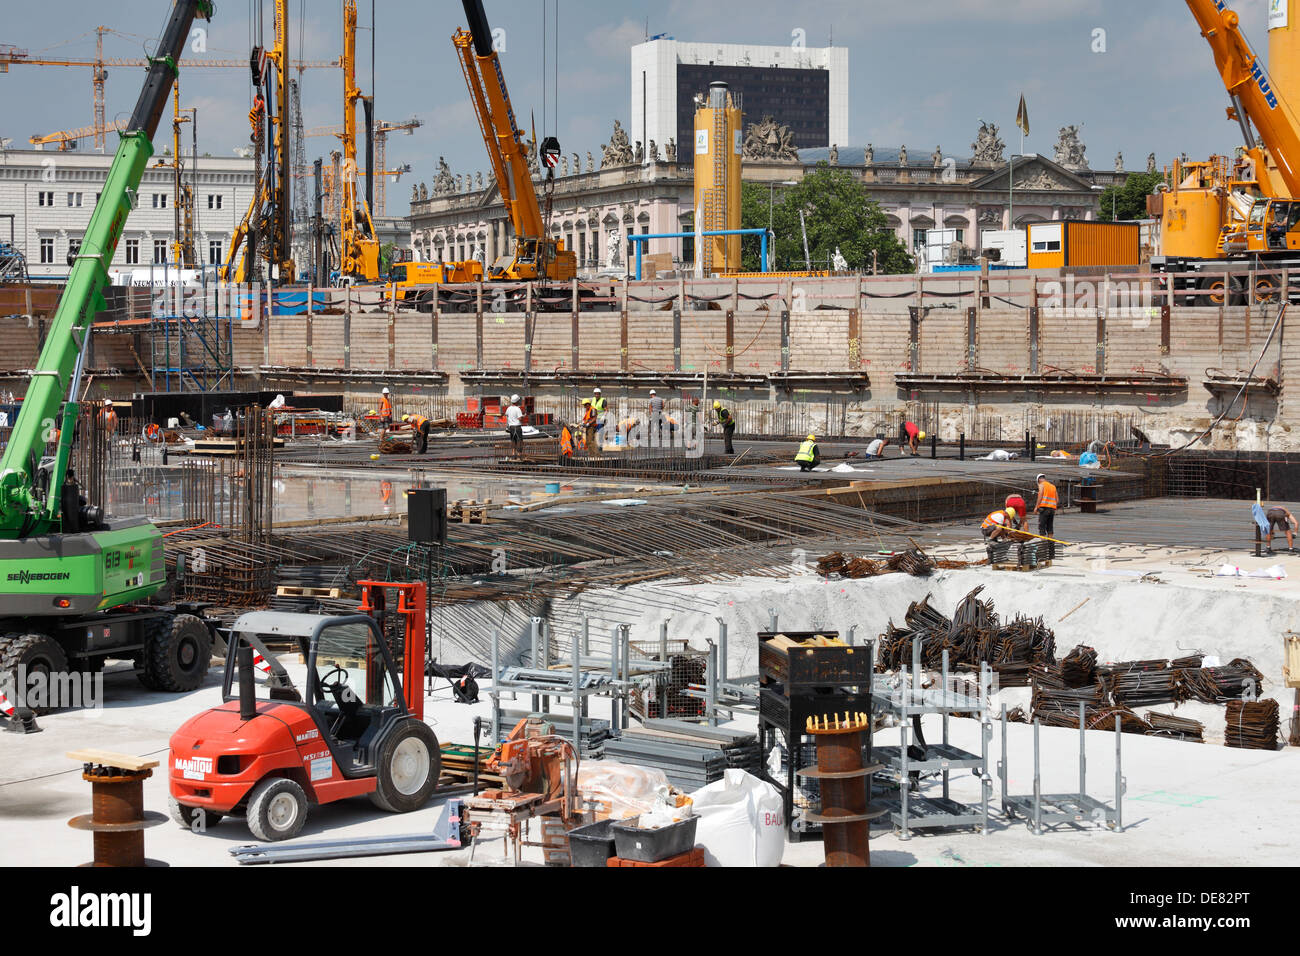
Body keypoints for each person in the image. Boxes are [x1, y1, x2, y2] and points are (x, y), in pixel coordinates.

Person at [1034, 474, 1059, 557]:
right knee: (1050, 527)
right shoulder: (1053, 486)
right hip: (1052, 509)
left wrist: (1037, 506)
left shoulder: (1042, 485)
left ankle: (1043, 546)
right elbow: (1057, 500)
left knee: (1042, 527)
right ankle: (1050, 547)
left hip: (1044, 509)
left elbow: (1040, 495)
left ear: (1039, 480)